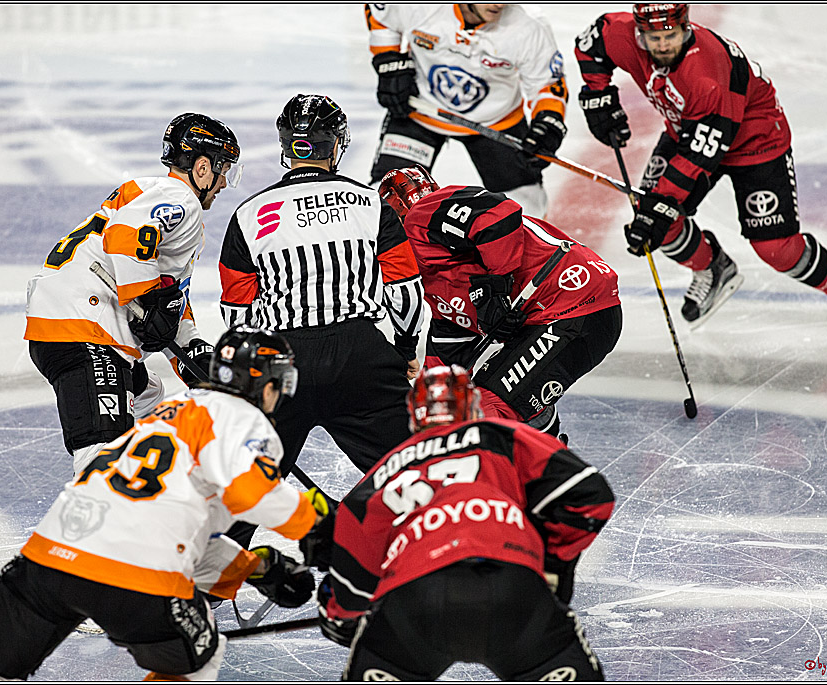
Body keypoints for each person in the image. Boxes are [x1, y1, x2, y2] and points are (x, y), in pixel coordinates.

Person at [0, 326, 336, 681]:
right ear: (265, 384)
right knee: (199, 659)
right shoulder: (242, 419)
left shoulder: (169, 414)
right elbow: (251, 492)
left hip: (51, 555)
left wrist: (254, 568)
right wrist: (319, 526)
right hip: (136, 574)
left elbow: (165, 526)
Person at [574, 3, 827, 339]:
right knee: (659, 220)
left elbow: (700, 153)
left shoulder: (705, 73)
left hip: (755, 141)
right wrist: (597, 95)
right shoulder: (622, 34)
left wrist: (659, 204)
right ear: (638, 31)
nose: (661, 46)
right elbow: (590, 44)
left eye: (670, 36)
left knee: (776, 248)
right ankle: (712, 268)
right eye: (652, 37)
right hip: (689, 130)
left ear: (686, 27)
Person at [315, 364, 613, 681]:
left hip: (415, 599)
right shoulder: (503, 435)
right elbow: (590, 495)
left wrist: (343, 616)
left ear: (414, 414)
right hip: (512, 589)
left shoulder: (387, 468)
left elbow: (352, 557)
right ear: (472, 406)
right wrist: (553, 566)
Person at [219, 94, 425, 497]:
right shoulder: (369, 203)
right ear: (336, 144)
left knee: (246, 494)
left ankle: (221, 556)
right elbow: (406, 292)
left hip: (281, 362)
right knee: (415, 473)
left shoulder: (247, 214)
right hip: (361, 357)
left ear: (287, 148)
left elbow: (237, 314)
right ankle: (437, 551)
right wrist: (404, 350)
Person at [25, 113, 244, 476]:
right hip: (85, 329)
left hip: (67, 320)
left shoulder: (148, 191)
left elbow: (167, 294)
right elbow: (125, 237)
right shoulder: (182, 199)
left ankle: (154, 487)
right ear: (202, 167)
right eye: (223, 170)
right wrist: (145, 303)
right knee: (101, 457)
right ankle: (99, 522)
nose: (223, 182)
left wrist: (191, 351)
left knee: (151, 397)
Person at [378, 166, 622, 439]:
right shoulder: (433, 277)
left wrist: (495, 289)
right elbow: (450, 345)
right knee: (496, 397)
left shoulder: (421, 217)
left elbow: (498, 213)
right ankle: (545, 463)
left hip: (574, 302)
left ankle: (529, 472)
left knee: (486, 407)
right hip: (571, 311)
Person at [365, 3, 569, 218]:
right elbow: (381, 13)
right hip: (420, 112)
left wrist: (548, 122)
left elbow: (547, 84)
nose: (499, 4)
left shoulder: (529, 25)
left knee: (525, 213)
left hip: (496, 122)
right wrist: (389, 60)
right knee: (387, 205)